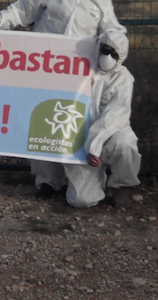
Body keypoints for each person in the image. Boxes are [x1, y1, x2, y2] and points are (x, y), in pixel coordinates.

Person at [0, 0, 127, 196]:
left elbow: (113, 32)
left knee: (73, 123)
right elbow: (21, 10)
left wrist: (112, 57)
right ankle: (46, 181)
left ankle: (75, 178)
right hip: (45, 70)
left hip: (80, 75)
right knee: (42, 121)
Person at [38, 29, 142, 208]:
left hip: (110, 134)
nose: (107, 56)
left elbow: (113, 117)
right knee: (81, 200)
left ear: (121, 56)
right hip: (79, 137)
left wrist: (94, 145)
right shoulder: (80, 68)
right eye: (105, 50)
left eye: (113, 53)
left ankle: (122, 186)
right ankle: (74, 181)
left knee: (124, 144)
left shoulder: (123, 79)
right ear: (98, 48)